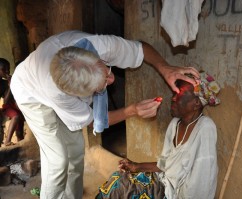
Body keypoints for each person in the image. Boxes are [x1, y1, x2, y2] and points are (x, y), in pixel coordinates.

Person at [10, 30, 200, 199]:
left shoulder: (101, 45)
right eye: (102, 85)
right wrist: (132, 110)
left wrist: (166, 69)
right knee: (58, 160)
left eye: (106, 70)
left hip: (52, 79)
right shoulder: (58, 94)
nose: (111, 79)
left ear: (93, 56)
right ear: (79, 95)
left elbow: (141, 49)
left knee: (76, 150)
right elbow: (93, 121)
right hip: (30, 94)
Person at [96, 71, 220, 199]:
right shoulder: (175, 124)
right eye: (174, 93)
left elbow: (203, 180)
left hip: (175, 194)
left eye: (180, 93)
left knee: (122, 191)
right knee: (118, 180)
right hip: (162, 182)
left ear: (197, 103)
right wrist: (136, 166)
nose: (173, 98)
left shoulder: (205, 127)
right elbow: (165, 164)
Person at [0, 58, 25, 146]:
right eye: (4, 69)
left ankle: (21, 147)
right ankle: (7, 141)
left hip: (12, 105)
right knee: (16, 116)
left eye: (8, 69)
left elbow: (6, 100)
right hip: (8, 108)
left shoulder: (5, 83)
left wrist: (10, 85)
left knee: (20, 129)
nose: (7, 71)